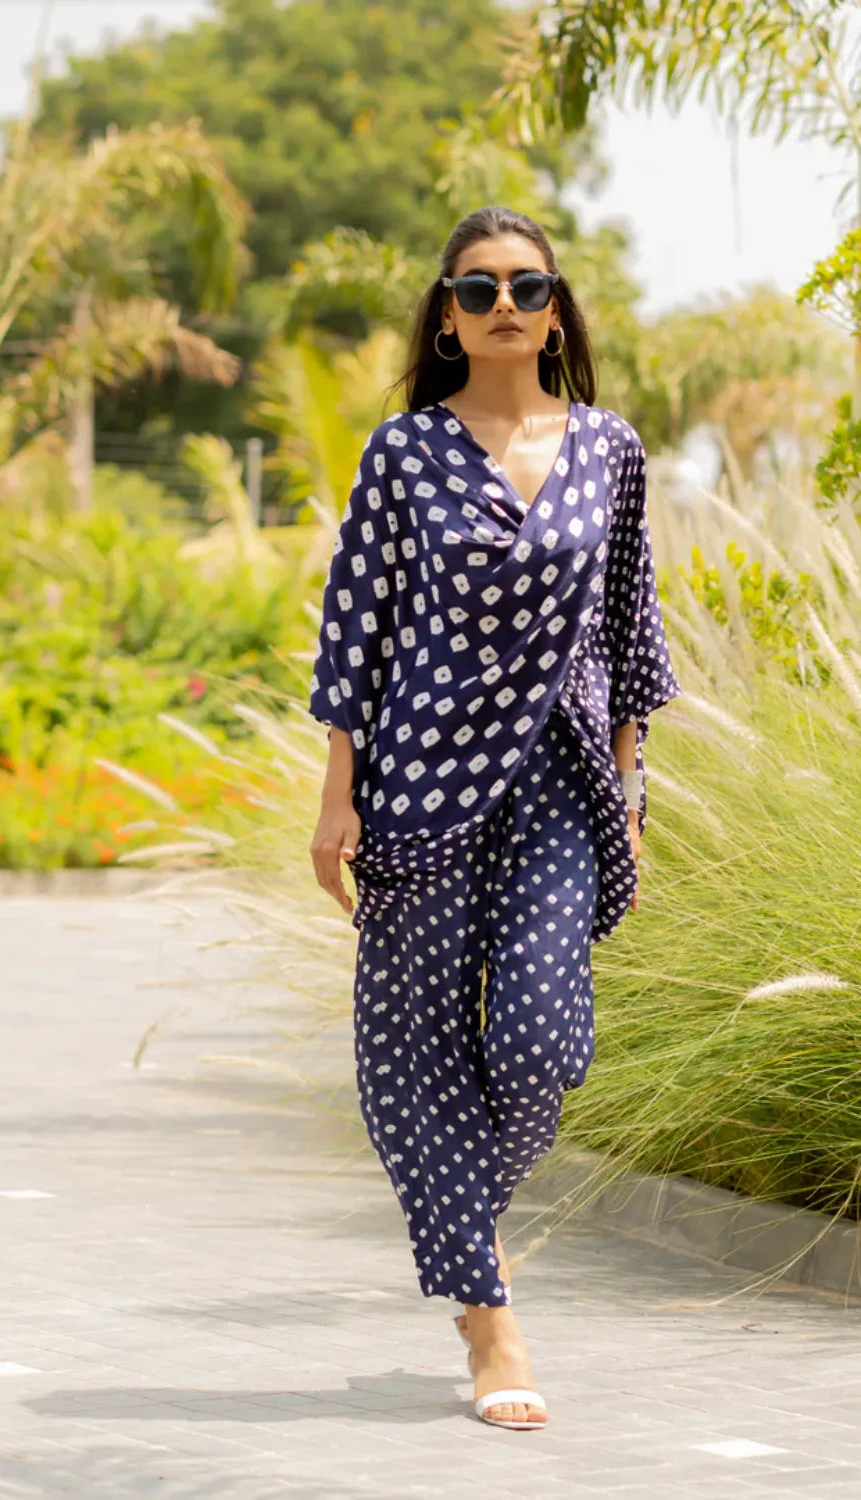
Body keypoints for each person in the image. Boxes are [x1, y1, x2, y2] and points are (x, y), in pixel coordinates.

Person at [307, 204, 681, 1431]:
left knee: (540, 1045)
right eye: (477, 290)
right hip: (420, 783)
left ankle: (464, 1218)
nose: (504, 304)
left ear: (558, 313)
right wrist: (336, 797)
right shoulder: (403, 452)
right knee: (411, 1047)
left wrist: (629, 798)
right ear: (448, 319)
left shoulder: (610, 449)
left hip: (562, 787)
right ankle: (488, 1320)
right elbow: (354, 631)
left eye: (527, 285)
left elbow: (627, 635)